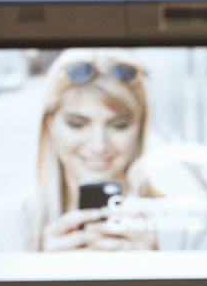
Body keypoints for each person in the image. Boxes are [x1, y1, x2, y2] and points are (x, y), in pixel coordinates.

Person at [28, 48, 158, 251]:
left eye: (119, 125)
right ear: (49, 125)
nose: (99, 146)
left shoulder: (189, 227)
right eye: (77, 124)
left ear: (140, 128)